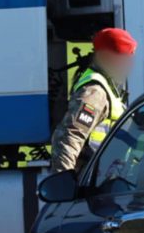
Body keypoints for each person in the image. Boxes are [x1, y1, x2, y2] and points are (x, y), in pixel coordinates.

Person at [50, 27, 138, 172]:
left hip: (105, 177)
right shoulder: (95, 92)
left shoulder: (108, 87)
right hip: (93, 181)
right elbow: (69, 136)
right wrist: (63, 182)